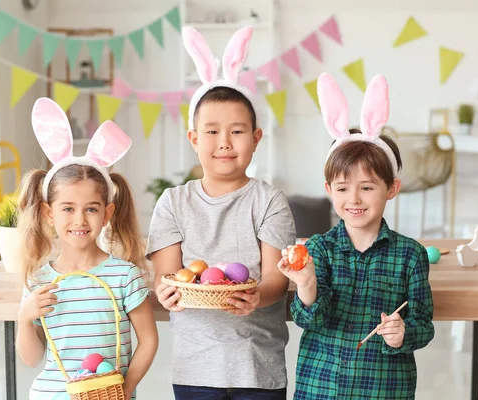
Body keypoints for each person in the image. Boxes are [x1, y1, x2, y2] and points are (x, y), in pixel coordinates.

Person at [147, 26, 296, 399]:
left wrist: (257, 296)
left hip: (259, 365)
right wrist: (164, 293)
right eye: (211, 131)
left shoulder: (269, 201)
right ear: (194, 139)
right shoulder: (173, 202)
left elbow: (278, 280)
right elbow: (168, 276)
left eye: (237, 131)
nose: (225, 143)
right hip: (195, 367)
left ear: (256, 138)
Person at [277, 73, 434, 399]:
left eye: (367, 187)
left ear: (391, 189)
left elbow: (424, 323)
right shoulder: (319, 248)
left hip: (385, 389)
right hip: (322, 387)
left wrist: (403, 333)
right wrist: (305, 283)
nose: (355, 199)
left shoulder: (410, 255)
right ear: (329, 190)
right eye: (343, 189)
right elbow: (310, 320)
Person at [16, 97, 158, 399]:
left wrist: (124, 390)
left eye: (91, 209)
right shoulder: (40, 281)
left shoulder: (125, 277)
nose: (79, 219)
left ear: (107, 214)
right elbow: (31, 359)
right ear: (48, 214)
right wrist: (24, 318)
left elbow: (148, 341)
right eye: (67, 208)